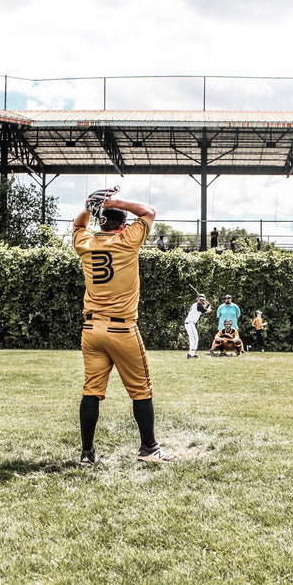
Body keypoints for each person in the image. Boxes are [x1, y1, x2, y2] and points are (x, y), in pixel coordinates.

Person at [72, 188, 173, 464]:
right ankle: (149, 449)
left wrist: (89, 206)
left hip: (91, 330)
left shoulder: (87, 244)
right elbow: (149, 212)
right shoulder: (127, 241)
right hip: (122, 329)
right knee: (142, 390)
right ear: (123, 225)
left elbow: (79, 224)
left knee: (91, 390)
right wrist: (115, 202)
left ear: (101, 221)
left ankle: (87, 454)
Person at [183, 294, 212, 359]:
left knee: (195, 338)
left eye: (202, 299)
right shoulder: (198, 306)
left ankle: (191, 354)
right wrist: (209, 306)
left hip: (190, 323)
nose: (201, 300)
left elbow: (202, 308)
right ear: (198, 299)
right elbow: (208, 311)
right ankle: (191, 354)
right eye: (200, 299)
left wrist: (206, 305)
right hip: (190, 323)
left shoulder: (196, 305)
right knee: (193, 338)